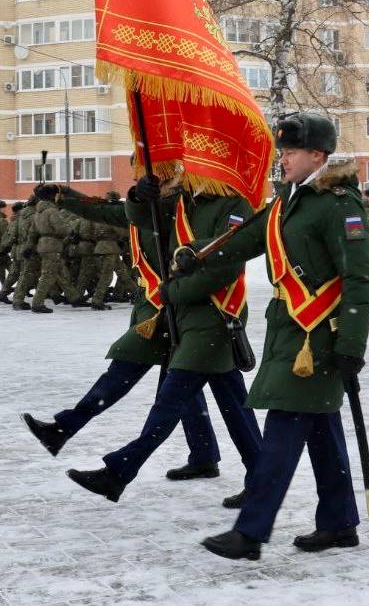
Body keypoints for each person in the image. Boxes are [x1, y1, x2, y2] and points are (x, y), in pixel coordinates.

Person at [175, 112, 369, 561]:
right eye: (282, 151)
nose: (282, 159)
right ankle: (340, 523)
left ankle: (251, 531)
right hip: (289, 331)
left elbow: (360, 281)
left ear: (318, 156)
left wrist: (351, 348)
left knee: (283, 429)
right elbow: (248, 239)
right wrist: (198, 258)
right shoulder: (290, 201)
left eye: (290, 152)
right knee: (320, 428)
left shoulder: (339, 205)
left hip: (317, 339)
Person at [65, 172, 262, 508]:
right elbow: (143, 218)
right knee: (233, 405)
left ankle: (119, 472)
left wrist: (173, 290)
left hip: (214, 318)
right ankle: (261, 476)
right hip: (186, 318)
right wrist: (141, 196)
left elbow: (226, 264)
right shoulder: (186, 203)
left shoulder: (234, 204)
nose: (188, 172)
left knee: (169, 402)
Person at [22, 184, 225, 489]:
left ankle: (67, 430)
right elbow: (104, 210)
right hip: (157, 307)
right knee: (181, 389)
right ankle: (204, 455)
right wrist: (64, 195)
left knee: (126, 374)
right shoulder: (144, 206)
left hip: (168, 311)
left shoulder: (176, 209)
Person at [30, 185, 81, 313]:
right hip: (52, 245)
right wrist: (72, 232)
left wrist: (30, 245)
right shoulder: (51, 211)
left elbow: (32, 231)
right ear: (52, 196)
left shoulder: (38, 212)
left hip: (44, 245)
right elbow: (60, 227)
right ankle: (37, 303)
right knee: (48, 275)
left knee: (61, 273)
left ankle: (74, 298)